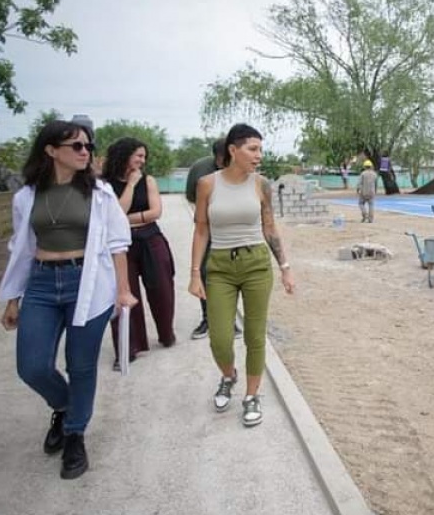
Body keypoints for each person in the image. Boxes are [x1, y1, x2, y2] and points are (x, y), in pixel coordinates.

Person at [0, 119, 136, 480]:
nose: (85, 152)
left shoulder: (100, 192)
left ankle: (75, 433)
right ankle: (63, 405)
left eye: (88, 146)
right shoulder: (27, 196)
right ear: (50, 150)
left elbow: (118, 243)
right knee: (32, 366)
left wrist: (123, 291)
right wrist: (13, 298)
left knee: (82, 365)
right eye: (76, 146)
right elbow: (21, 248)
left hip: (87, 283)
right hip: (42, 285)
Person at [188, 123, 295, 427]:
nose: (258, 155)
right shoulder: (207, 184)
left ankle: (251, 396)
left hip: (256, 264)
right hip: (219, 266)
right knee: (220, 339)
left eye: (261, 149)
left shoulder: (261, 184)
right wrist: (195, 273)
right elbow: (200, 230)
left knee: (254, 335)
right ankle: (228, 375)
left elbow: (270, 228)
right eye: (252, 148)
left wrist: (285, 268)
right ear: (233, 150)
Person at [102, 138, 177, 369]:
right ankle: (129, 347)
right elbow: (115, 212)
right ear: (124, 155)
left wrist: (122, 221)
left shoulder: (149, 180)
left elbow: (155, 212)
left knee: (162, 290)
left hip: (151, 240)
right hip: (120, 247)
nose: (142, 161)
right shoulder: (104, 184)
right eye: (138, 156)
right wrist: (132, 185)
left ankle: (166, 333)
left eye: (144, 156)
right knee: (125, 295)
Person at [185, 138, 227, 339]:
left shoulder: (240, 167)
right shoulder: (200, 169)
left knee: (230, 272)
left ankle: (228, 320)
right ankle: (207, 319)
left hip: (229, 229)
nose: (222, 163)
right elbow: (190, 195)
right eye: (219, 159)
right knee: (204, 270)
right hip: (207, 225)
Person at [357, 159, 378, 223]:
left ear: (365, 166)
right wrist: (375, 191)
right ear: (371, 166)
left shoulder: (363, 174)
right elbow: (376, 184)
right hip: (372, 192)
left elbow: (359, 183)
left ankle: (365, 214)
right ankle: (370, 219)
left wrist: (358, 189)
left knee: (361, 203)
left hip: (363, 192)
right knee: (371, 205)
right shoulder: (374, 174)